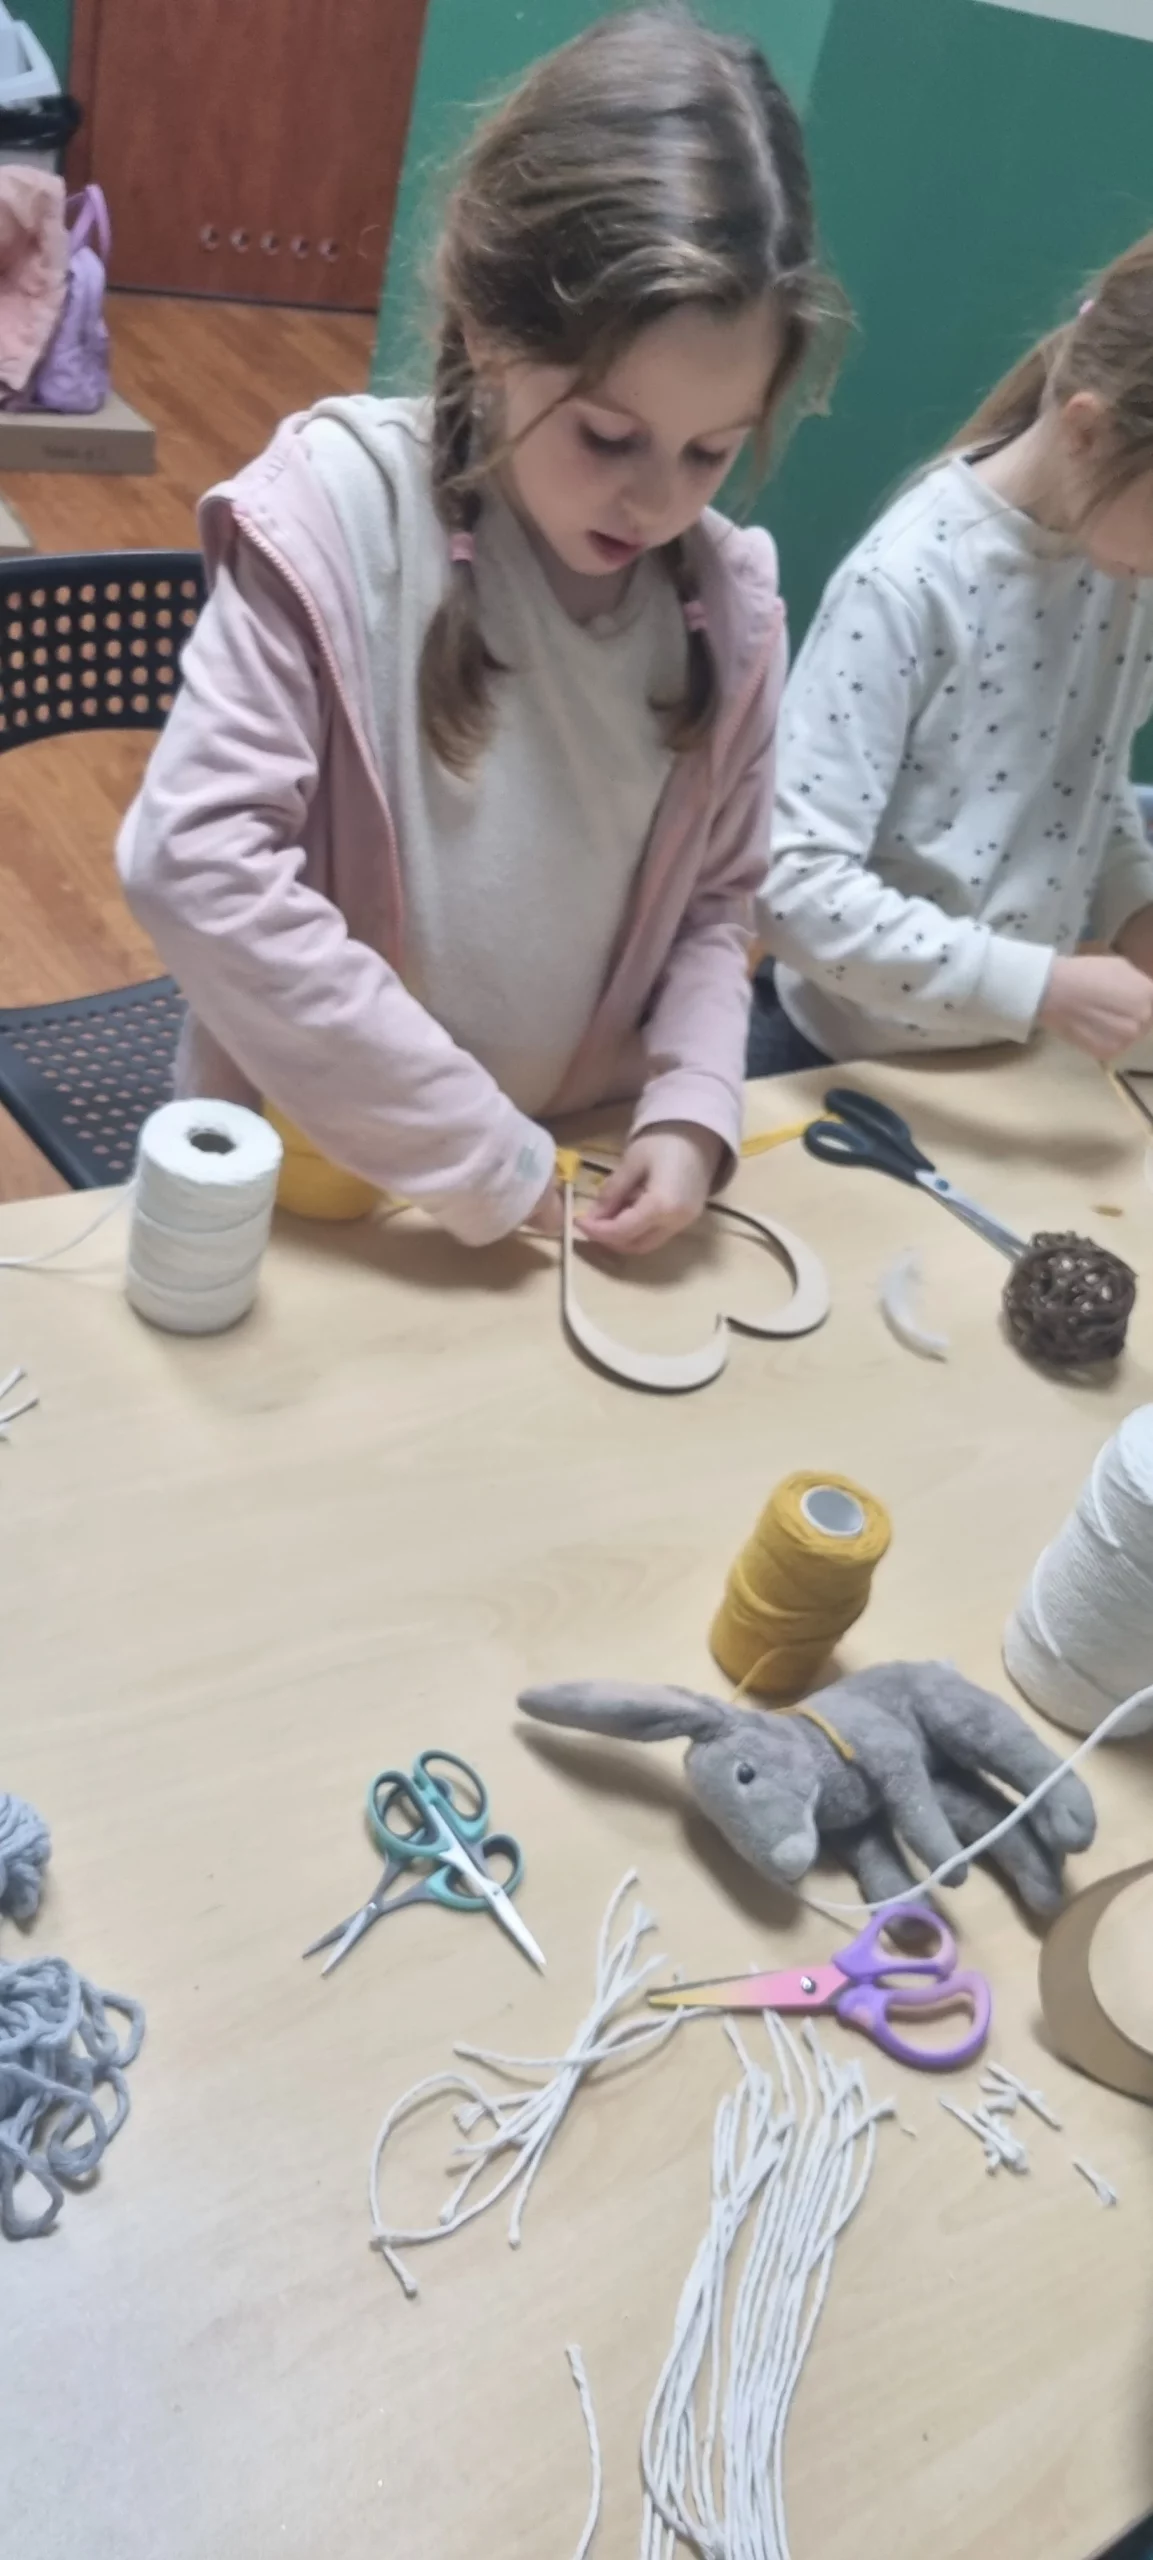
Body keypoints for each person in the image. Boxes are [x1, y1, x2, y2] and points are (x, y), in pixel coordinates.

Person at [119, 7, 836, 1253]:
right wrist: (482, 1153)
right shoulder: (336, 515)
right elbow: (194, 863)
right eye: (608, 435)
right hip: (312, 1185)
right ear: (489, 337)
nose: (657, 500)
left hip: (567, 1180)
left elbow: (717, 907)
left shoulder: (728, 608)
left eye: (710, 451)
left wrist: (690, 1104)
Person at [749, 232, 1153, 1078]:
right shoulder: (907, 582)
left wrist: (1135, 913)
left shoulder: (1120, 568)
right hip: (835, 1059)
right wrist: (1044, 987)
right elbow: (793, 890)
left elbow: (1087, 784)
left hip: (1004, 1056)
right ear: (1086, 431)